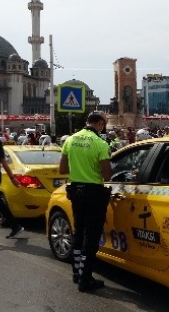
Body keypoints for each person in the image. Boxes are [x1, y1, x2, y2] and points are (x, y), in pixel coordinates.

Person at [59, 112, 112, 292]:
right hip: (94, 193)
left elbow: (62, 169)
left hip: (76, 192)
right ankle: (85, 279)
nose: (103, 128)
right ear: (98, 124)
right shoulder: (100, 143)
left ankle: (76, 273)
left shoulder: (70, 140)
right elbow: (107, 175)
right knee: (92, 237)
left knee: (78, 232)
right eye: (103, 125)